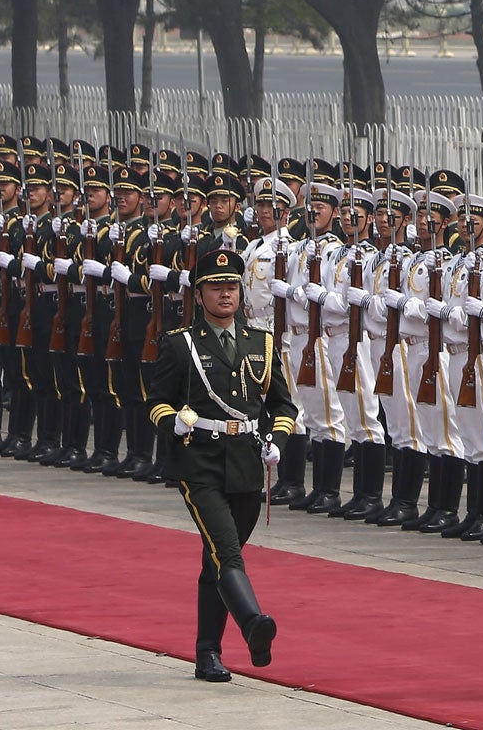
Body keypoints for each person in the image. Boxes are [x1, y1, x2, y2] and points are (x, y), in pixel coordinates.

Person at [145, 244, 299, 683]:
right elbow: (156, 400)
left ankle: (206, 652)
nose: (225, 295)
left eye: (231, 286)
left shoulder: (261, 343)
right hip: (200, 463)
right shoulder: (181, 345)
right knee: (226, 550)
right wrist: (172, 421)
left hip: (247, 463)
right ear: (200, 294)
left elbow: (282, 406)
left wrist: (278, 441)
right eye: (215, 287)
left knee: (216, 560)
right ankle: (253, 624)